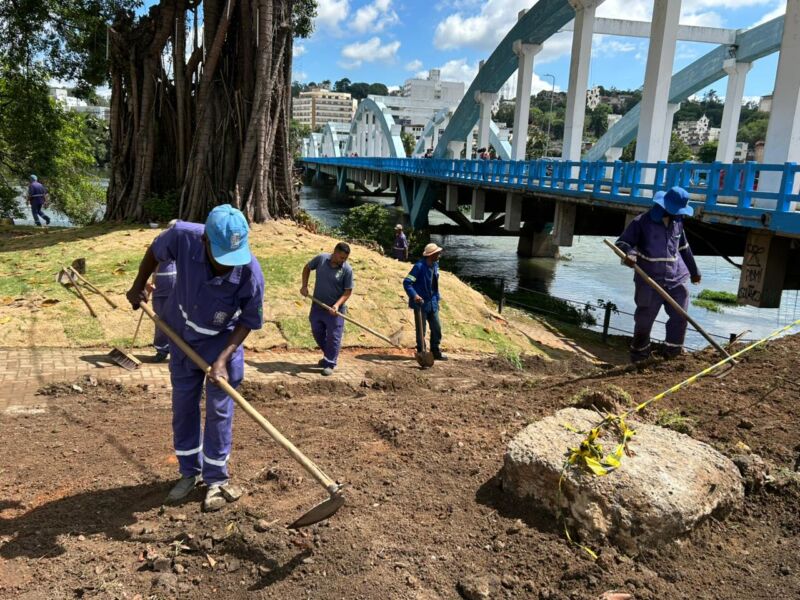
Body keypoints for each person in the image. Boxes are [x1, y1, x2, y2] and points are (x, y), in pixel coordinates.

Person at [126, 205, 265, 511]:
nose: (228, 265)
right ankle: (189, 472)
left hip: (222, 345)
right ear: (205, 241)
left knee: (219, 412)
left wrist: (222, 359)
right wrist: (138, 285)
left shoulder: (250, 271)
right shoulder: (183, 237)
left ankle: (216, 480)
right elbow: (155, 250)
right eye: (221, 257)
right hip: (182, 337)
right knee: (184, 407)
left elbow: (249, 321)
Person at [615, 186, 701, 363]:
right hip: (649, 279)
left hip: (677, 278)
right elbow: (622, 243)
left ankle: (672, 355)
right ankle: (640, 356)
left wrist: (694, 271)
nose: (679, 214)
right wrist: (630, 255)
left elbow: (684, 248)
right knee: (644, 319)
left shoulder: (678, 222)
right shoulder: (641, 222)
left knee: (680, 316)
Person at [300, 242, 354, 376]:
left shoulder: (347, 270)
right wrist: (304, 286)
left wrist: (336, 305)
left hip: (335, 310)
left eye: (345, 258)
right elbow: (307, 268)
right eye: (341, 257)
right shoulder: (321, 259)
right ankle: (328, 355)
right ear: (334, 253)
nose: (343, 261)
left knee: (333, 337)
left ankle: (330, 362)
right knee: (317, 331)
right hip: (318, 306)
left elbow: (347, 291)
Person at [403, 242, 446, 361]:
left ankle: (435, 350)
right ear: (431, 255)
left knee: (436, 327)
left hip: (433, 302)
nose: (439, 255)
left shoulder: (435, 265)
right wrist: (414, 295)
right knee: (421, 330)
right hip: (420, 303)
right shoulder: (419, 267)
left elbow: (434, 283)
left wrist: (437, 299)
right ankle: (421, 351)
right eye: (437, 253)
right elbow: (407, 282)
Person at [150, 219, 179, 362]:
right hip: (160, 289)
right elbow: (151, 263)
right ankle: (161, 350)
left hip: (178, 291)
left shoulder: (184, 245)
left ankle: (179, 351)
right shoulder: (159, 242)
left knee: (179, 322)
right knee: (161, 321)